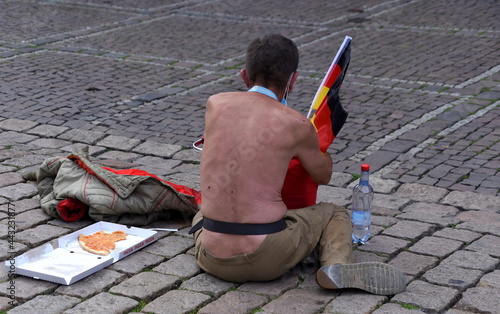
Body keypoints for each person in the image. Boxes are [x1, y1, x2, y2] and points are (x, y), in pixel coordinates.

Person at [190, 34, 406, 295]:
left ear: (244, 76)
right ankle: (337, 265)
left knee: (204, 209)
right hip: (266, 257)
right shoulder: (296, 124)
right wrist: (317, 148)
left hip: (210, 254)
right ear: (293, 79)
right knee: (333, 213)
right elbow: (323, 175)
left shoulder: (215, 103)